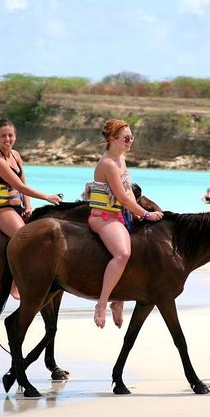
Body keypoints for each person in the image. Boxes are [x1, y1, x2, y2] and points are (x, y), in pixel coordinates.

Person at [82, 119, 164, 328]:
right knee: (123, 254)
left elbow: (128, 191)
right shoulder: (108, 163)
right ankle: (102, 303)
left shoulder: (121, 159)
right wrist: (146, 214)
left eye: (131, 138)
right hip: (103, 218)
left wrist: (136, 213)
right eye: (126, 138)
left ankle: (119, 300)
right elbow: (122, 197)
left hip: (120, 216)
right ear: (113, 139)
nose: (130, 142)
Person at [0, 118, 62, 299]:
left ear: (15, 137)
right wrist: (46, 197)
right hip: (1, 208)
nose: (7, 139)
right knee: (23, 238)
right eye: (3, 136)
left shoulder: (16, 155)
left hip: (18, 207)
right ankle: (14, 284)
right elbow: (19, 187)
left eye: (10, 135)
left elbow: (23, 183)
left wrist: (28, 206)